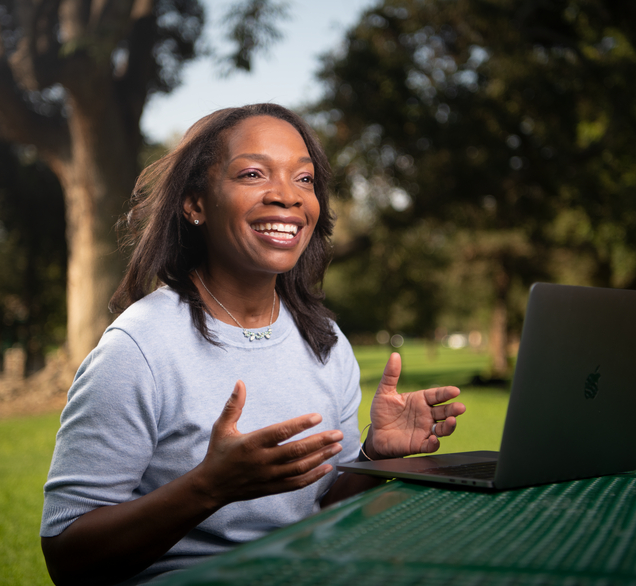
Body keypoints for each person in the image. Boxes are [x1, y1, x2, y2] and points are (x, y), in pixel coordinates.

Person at [40, 103, 466, 586]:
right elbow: (67, 557)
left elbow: (324, 508)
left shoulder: (324, 340)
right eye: (252, 173)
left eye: (304, 179)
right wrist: (208, 488)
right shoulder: (138, 348)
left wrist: (374, 457)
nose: (287, 195)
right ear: (195, 204)